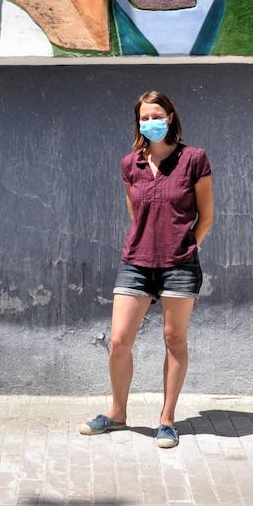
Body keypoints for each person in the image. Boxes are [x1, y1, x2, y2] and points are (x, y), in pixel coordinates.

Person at [79, 90, 215, 449]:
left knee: (174, 339)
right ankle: (117, 413)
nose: (150, 122)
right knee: (119, 340)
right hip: (136, 262)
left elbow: (207, 215)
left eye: (157, 115)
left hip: (179, 265)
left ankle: (167, 420)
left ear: (170, 117)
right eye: (144, 117)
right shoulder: (130, 164)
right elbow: (135, 214)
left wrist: (187, 245)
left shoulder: (194, 159)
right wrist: (149, 242)